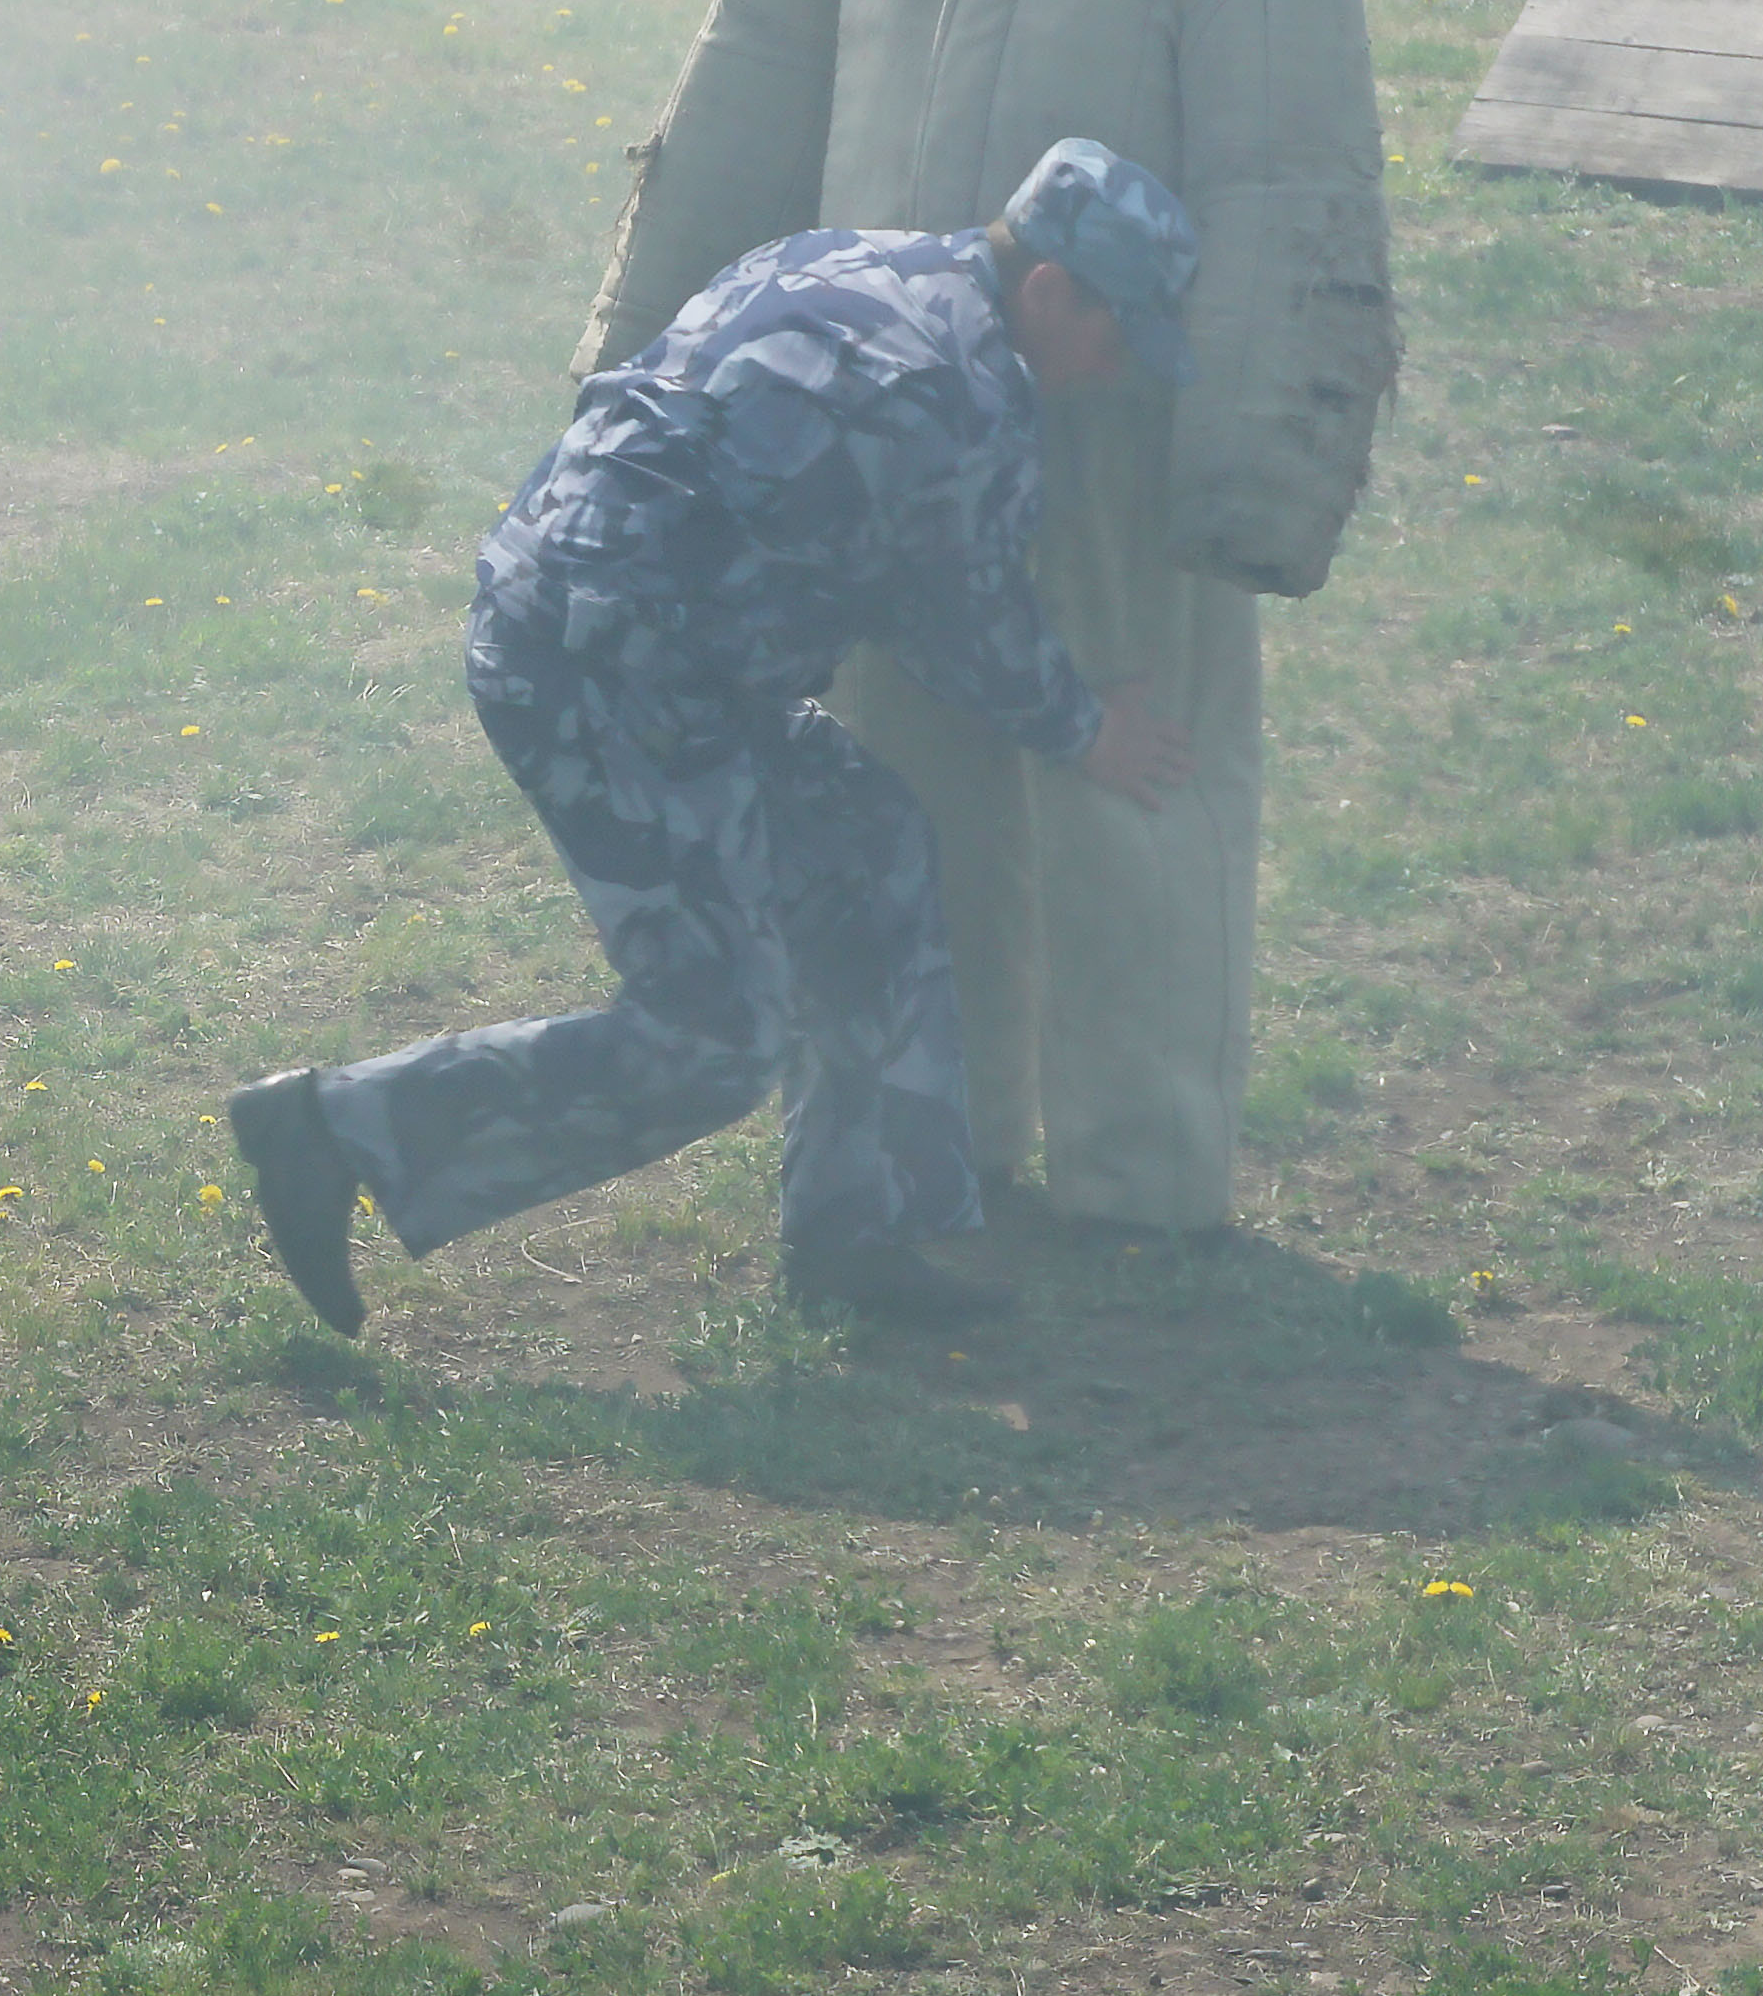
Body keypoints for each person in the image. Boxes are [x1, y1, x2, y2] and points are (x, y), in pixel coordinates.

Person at [572, 0, 1394, 1251]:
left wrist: (1252, 474)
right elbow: (752, 76)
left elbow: (1291, 182)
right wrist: (633, 346)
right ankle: (953, 1144)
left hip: (1113, 450)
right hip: (885, 442)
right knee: (911, 780)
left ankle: (1143, 1181)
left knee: (1131, 787)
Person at [228, 140, 1201, 1334]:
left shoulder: (852, 256)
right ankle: (331, 1130)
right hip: (606, 677)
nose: (1111, 372)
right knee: (714, 1034)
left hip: (627, 642)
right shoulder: (955, 396)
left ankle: (859, 1237)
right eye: (1115, 335)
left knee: (868, 847)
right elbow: (969, 626)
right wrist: (1087, 730)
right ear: (1050, 290)